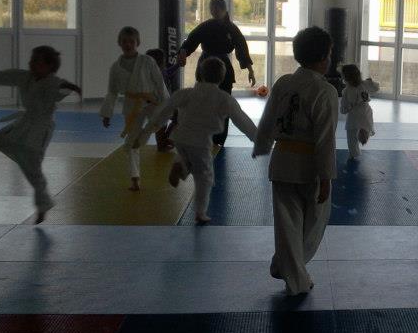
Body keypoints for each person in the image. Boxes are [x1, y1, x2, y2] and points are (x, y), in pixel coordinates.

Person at [253, 27, 338, 296]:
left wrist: (262, 144)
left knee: (287, 223)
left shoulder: (283, 83)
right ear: (325, 57)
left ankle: (284, 263)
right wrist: (326, 177)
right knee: (314, 224)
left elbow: (267, 119)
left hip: (282, 162)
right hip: (310, 166)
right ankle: (296, 279)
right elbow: (326, 139)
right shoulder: (325, 91)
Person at [135, 58, 258, 225]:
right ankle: (200, 213)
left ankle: (182, 166)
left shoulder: (185, 93)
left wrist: (144, 134)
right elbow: (242, 120)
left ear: (199, 74)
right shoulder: (224, 98)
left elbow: (162, 113)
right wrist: (257, 138)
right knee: (204, 177)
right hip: (201, 142)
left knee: (188, 159)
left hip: (180, 138)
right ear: (222, 78)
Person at [0, 46, 81, 223]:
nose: (31, 63)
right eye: (32, 60)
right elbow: (2, 76)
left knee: (34, 172)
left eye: (37, 61)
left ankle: (43, 206)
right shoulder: (25, 77)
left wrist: (70, 86)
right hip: (24, 123)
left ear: (49, 66)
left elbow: (61, 88)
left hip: (41, 129)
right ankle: (25, 160)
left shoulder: (53, 82)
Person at [177, 0, 256, 150]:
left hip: (223, 68)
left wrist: (251, 70)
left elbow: (242, 49)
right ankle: (202, 135)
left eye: (218, 8)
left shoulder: (232, 28)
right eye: (212, 8)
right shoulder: (205, 26)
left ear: (224, 9)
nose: (215, 11)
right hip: (205, 66)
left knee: (223, 104)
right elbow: (191, 41)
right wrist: (182, 53)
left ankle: (219, 139)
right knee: (202, 102)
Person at [101, 26, 169, 191]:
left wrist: (166, 102)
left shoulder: (147, 61)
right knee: (131, 142)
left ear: (137, 42)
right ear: (119, 43)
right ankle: (135, 178)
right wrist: (107, 113)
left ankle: (144, 135)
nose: (128, 44)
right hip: (132, 105)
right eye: (124, 41)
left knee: (157, 123)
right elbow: (112, 92)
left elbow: (159, 81)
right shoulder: (115, 68)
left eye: (131, 41)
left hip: (152, 100)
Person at [339, 63, 379, 160]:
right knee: (364, 125)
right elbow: (376, 88)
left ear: (345, 77)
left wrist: (344, 109)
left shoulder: (347, 91)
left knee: (351, 136)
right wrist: (371, 82)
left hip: (354, 114)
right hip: (366, 112)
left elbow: (344, 109)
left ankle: (354, 154)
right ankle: (364, 131)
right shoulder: (365, 84)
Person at [145, 48, 176, 151]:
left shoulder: (160, 72)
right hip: (157, 107)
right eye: (163, 62)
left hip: (159, 107)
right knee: (171, 121)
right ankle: (164, 141)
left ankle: (163, 141)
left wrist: (178, 65)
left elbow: (168, 71)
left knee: (161, 126)